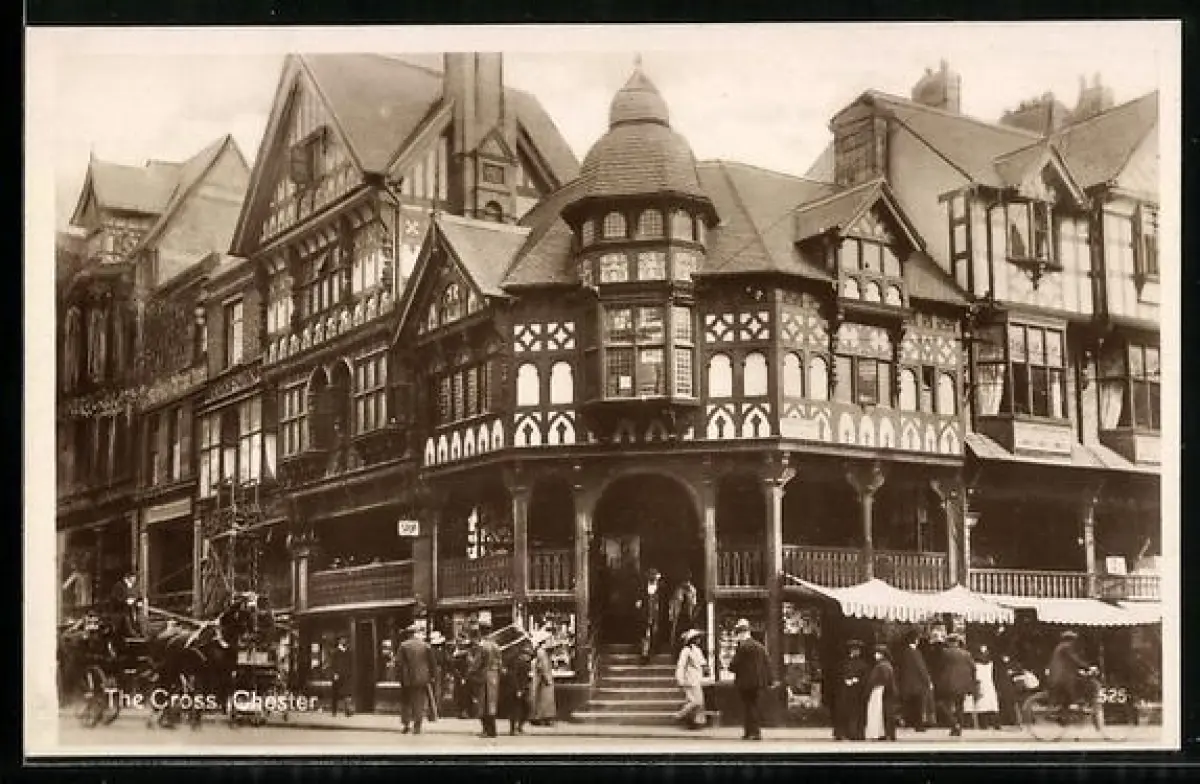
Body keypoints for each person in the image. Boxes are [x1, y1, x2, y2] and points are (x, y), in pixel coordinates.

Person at [728, 618, 771, 741]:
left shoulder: (743, 647)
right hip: (758, 682)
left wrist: (733, 668)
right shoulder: (760, 646)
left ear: (741, 634)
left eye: (738, 634)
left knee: (748, 706)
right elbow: (767, 663)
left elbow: (734, 665)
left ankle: (752, 732)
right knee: (754, 705)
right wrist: (768, 680)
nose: (738, 637)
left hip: (745, 682)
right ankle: (752, 732)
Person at [397, 623, 437, 735]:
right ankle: (417, 726)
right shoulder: (425, 646)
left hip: (407, 679)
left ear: (408, 634)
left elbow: (399, 663)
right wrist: (432, 676)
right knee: (419, 702)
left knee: (406, 702)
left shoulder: (403, 646)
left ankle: (406, 724)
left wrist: (400, 677)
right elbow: (432, 663)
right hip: (422, 678)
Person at [938, 634, 977, 737]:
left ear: (949, 642)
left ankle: (954, 724)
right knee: (960, 706)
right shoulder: (966, 654)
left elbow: (940, 667)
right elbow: (973, 668)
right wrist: (971, 683)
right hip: (963, 685)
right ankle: (958, 728)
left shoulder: (945, 653)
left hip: (949, 684)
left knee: (943, 704)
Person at [469, 621, 502, 737]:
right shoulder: (496, 645)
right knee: (491, 703)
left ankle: (487, 730)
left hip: (483, 675)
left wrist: (471, 670)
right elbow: (500, 663)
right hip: (494, 676)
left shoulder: (482, 646)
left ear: (480, 632)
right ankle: (492, 730)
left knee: (482, 703)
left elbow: (477, 663)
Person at [896, 630, 933, 732]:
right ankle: (918, 725)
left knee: (910, 704)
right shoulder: (915, 652)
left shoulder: (905, 652)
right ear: (915, 640)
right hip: (916, 683)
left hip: (907, 682)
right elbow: (921, 668)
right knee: (918, 704)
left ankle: (909, 722)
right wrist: (928, 680)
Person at [1047, 630, 1090, 716]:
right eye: (1073, 639)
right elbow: (1074, 659)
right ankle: (1077, 703)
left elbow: (1069, 661)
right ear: (1070, 639)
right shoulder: (1067, 647)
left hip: (1055, 675)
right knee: (1079, 683)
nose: (1074, 641)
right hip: (1061, 676)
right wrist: (1087, 667)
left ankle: (1066, 709)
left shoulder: (1059, 647)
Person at [833, 639, 869, 741]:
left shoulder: (863, 664)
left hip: (857, 692)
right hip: (845, 691)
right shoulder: (843, 663)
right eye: (854, 650)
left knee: (856, 712)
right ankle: (842, 733)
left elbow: (865, 677)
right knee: (843, 712)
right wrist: (845, 680)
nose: (856, 652)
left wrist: (857, 680)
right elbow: (838, 674)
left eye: (858, 650)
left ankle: (856, 734)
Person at [674, 629, 708, 729]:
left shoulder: (697, 650)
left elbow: (702, 663)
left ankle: (695, 722)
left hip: (697, 678)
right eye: (697, 638)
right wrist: (680, 679)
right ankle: (681, 714)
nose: (699, 640)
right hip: (689, 679)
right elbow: (681, 665)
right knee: (696, 701)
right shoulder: (686, 651)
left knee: (698, 701)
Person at [500, 635, 533, 735]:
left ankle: (518, 727)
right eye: (527, 655)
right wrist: (518, 689)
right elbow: (514, 676)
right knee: (515, 709)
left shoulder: (525, 663)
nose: (528, 657)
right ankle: (513, 729)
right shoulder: (518, 663)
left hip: (522, 688)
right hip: (516, 689)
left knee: (525, 708)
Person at [864, 645, 898, 741]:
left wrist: (870, 688)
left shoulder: (882, 666)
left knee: (882, 713)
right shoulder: (886, 665)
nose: (875, 655)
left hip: (881, 691)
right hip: (886, 692)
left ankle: (884, 733)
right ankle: (887, 734)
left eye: (877, 653)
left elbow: (878, 680)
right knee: (886, 713)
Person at [966, 644, 1001, 729]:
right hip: (985, 685)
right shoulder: (987, 664)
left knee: (986, 705)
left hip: (985, 685)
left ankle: (989, 724)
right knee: (987, 705)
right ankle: (991, 724)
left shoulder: (984, 664)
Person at [530, 630, 558, 726]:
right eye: (549, 640)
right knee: (545, 699)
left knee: (539, 699)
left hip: (539, 679)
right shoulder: (542, 653)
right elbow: (543, 666)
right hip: (543, 680)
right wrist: (547, 678)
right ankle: (543, 717)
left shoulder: (540, 652)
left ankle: (538, 717)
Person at [637, 568, 665, 663]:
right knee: (646, 634)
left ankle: (653, 651)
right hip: (645, 615)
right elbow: (639, 600)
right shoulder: (643, 588)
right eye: (651, 575)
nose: (652, 577)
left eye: (654, 575)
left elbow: (663, 602)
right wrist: (639, 603)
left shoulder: (661, 589)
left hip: (657, 615)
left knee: (655, 633)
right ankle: (644, 654)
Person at [668, 575, 698, 656]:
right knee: (676, 632)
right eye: (685, 581)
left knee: (687, 632)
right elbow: (673, 603)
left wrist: (693, 614)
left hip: (688, 615)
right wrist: (671, 614)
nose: (686, 583)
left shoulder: (692, 590)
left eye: (687, 581)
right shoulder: (678, 590)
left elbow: (694, 603)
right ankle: (675, 650)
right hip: (678, 615)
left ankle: (685, 650)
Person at [108, 570, 141, 639]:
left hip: (132, 608)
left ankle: (137, 631)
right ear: (128, 578)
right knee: (127, 618)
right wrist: (125, 601)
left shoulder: (134, 586)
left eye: (135, 578)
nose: (134, 580)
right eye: (133, 578)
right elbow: (115, 598)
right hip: (120, 609)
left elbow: (137, 595)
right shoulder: (119, 585)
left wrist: (137, 601)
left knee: (136, 617)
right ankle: (131, 633)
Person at [329, 637, 353, 717]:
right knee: (335, 694)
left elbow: (350, 664)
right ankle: (334, 711)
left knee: (347, 693)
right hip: (337, 676)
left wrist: (349, 673)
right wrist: (334, 673)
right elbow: (332, 664)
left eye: (345, 639)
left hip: (346, 675)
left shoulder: (348, 652)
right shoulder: (335, 652)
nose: (344, 641)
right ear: (339, 641)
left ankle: (347, 711)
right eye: (342, 639)